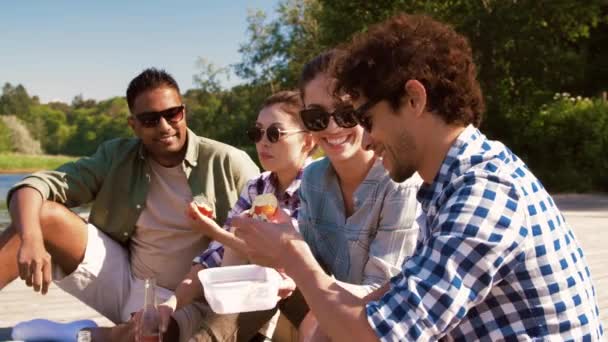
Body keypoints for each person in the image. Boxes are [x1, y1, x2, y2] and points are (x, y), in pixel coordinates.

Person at [231, 14, 603, 341]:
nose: (369, 138)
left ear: (413, 99)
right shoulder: (450, 183)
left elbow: (380, 336)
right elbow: (393, 301)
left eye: (366, 119)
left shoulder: (485, 192)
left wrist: (291, 255)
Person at [0, 68, 259, 336]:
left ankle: (79, 335)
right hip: (123, 280)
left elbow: (272, 227)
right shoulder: (116, 156)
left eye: (173, 114)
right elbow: (34, 185)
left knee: (154, 332)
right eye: (150, 119)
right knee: (43, 216)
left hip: (189, 297)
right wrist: (31, 239)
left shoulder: (229, 162)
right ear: (133, 125)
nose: (165, 126)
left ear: (184, 112)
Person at [147, 90, 317, 342]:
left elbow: (286, 261)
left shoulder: (319, 186)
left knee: (265, 274)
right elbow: (213, 257)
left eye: (275, 134)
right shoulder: (257, 187)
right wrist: (170, 304)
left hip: (311, 299)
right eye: (257, 133)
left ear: (308, 141)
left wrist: (215, 231)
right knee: (252, 267)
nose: (263, 142)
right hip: (264, 299)